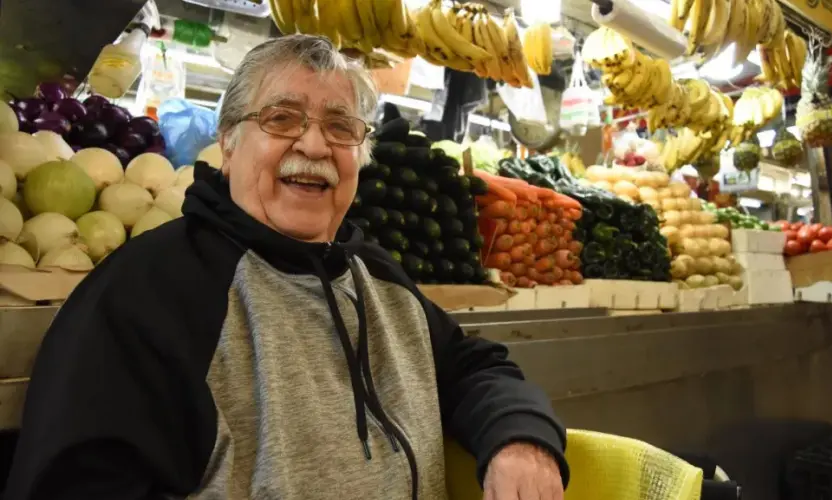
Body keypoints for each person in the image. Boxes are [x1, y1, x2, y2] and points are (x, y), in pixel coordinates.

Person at [6, 35, 568, 500]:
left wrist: (519, 438)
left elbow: (473, 368)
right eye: (282, 118)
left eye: (342, 127)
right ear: (228, 142)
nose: (316, 144)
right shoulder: (149, 293)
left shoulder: (379, 279)